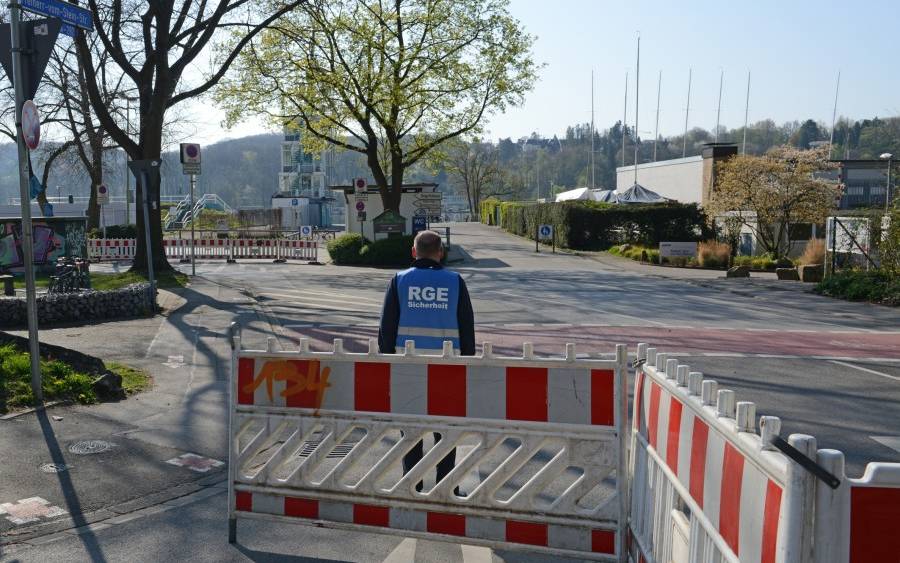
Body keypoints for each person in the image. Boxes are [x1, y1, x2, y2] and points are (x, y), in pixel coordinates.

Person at [378, 229, 475, 492]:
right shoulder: (455, 282)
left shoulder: (399, 281)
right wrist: (468, 365)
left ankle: (413, 485)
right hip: (448, 369)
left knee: (411, 432)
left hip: (408, 369)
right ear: (440, 254)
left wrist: (387, 364)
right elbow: (467, 330)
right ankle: (446, 488)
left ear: (413, 252)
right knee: (445, 431)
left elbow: (387, 330)